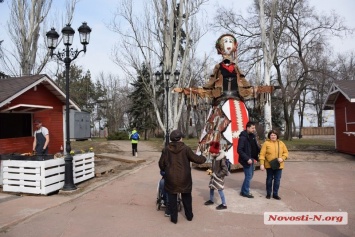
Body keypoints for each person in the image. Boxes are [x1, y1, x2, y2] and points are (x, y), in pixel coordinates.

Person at [158, 129, 206, 224]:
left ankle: (174, 218)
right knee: (187, 197)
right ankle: (189, 216)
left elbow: (161, 164)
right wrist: (204, 157)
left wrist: (165, 170)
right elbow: (197, 159)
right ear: (180, 139)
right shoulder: (186, 149)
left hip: (171, 178)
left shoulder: (166, 149)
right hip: (185, 178)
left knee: (172, 198)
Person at [259, 130, 289, 200]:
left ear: (277, 136)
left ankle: (275, 194)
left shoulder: (281, 143)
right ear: (269, 136)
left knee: (277, 180)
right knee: (269, 179)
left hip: (279, 165)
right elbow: (262, 155)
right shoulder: (266, 143)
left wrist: (283, 158)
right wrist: (261, 164)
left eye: (274, 135)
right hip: (269, 165)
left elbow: (286, 153)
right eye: (272, 135)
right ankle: (268, 193)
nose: (273, 136)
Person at [237, 121, 260, 198]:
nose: (254, 129)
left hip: (252, 159)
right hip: (246, 160)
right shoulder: (243, 137)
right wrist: (247, 159)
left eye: (254, 128)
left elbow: (255, 147)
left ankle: (243, 191)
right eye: (252, 128)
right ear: (248, 128)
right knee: (249, 175)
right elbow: (239, 150)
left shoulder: (252, 136)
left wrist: (258, 154)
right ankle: (246, 192)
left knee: (250, 175)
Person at [204, 141, 228, 210]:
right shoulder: (214, 158)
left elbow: (225, 170)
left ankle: (224, 204)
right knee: (211, 188)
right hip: (213, 177)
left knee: (220, 190)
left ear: (216, 152)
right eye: (211, 153)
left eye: (212, 153)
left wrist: (218, 175)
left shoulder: (221, 159)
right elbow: (213, 167)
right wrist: (210, 171)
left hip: (218, 178)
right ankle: (211, 200)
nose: (211, 154)